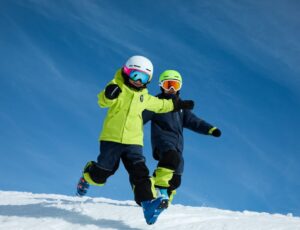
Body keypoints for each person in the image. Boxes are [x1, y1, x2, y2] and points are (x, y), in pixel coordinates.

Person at [76, 56, 194, 225]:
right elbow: (103, 101)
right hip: (112, 139)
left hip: (134, 142)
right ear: (126, 72)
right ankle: (88, 175)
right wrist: (109, 95)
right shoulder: (118, 87)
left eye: (143, 78)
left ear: (149, 80)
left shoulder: (144, 98)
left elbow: (161, 105)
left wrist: (178, 105)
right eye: (135, 75)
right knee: (102, 173)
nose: (138, 81)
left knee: (140, 174)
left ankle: (148, 205)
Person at [143, 70, 221, 207]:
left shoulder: (181, 109)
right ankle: (158, 187)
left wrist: (210, 129)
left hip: (178, 146)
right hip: (162, 142)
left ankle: (165, 199)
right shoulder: (155, 103)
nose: (172, 89)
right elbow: (140, 117)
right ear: (161, 86)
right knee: (171, 157)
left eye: (175, 85)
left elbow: (194, 121)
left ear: (180, 87)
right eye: (168, 85)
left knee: (176, 178)